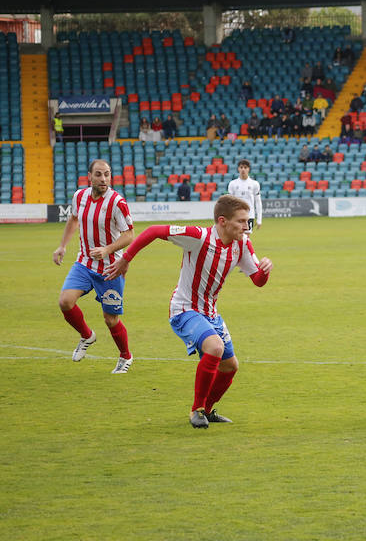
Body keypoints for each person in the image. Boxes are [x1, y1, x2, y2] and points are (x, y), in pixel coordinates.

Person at [104, 195, 273, 428]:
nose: (247, 227)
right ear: (222, 221)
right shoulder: (199, 237)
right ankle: (197, 410)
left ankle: (209, 410)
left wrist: (265, 270)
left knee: (230, 366)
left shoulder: (242, 243)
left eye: (248, 221)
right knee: (215, 347)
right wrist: (126, 259)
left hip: (211, 312)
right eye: (242, 222)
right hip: (184, 309)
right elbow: (153, 231)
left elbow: (258, 280)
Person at [52, 159, 135, 374]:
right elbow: (73, 220)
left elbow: (129, 235)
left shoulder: (117, 202)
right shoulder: (79, 196)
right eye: (99, 174)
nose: (104, 179)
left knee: (110, 319)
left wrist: (107, 249)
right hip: (84, 263)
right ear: (90, 176)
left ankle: (125, 356)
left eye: (107, 174)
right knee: (65, 302)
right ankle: (87, 336)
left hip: (110, 268)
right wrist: (62, 246)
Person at [227, 159, 263, 233]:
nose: (243, 169)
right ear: (238, 168)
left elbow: (258, 202)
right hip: (236, 215)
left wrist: (259, 219)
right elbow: (229, 202)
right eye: (241, 167)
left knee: (246, 238)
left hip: (249, 215)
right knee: (236, 238)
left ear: (249, 169)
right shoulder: (232, 184)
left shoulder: (254, 184)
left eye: (245, 167)